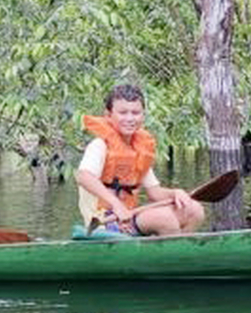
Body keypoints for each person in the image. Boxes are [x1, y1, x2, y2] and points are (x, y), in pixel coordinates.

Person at [76, 84, 205, 236]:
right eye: (123, 113)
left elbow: (155, 193)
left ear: (143, 116)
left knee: (194, 209)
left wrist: (175, 193)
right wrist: (117, 205)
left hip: (129, 217)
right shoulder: (99, 146)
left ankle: (178, 252)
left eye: (135, 113)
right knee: (163, 218)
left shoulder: (140, 149)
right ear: (108, 115)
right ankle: (171, 254)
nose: (130, 118)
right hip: (104, 221)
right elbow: (83, 176)